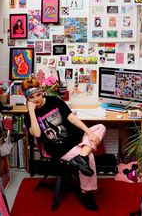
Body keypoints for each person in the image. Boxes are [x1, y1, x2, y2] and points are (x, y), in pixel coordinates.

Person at [22, 74, 106, 211]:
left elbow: (72, 119)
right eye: (31, 98)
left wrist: (89, 132)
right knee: (90, 156)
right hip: (59, 148)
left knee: (100, 127)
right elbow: (37, 133)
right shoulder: (29, 117)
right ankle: (85, 192)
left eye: (37, 95)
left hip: (75, 139)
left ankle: (81, 158)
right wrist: (31, 111)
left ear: (42, 92)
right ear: (27, 100)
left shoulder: (54, 101)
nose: (36, 99)